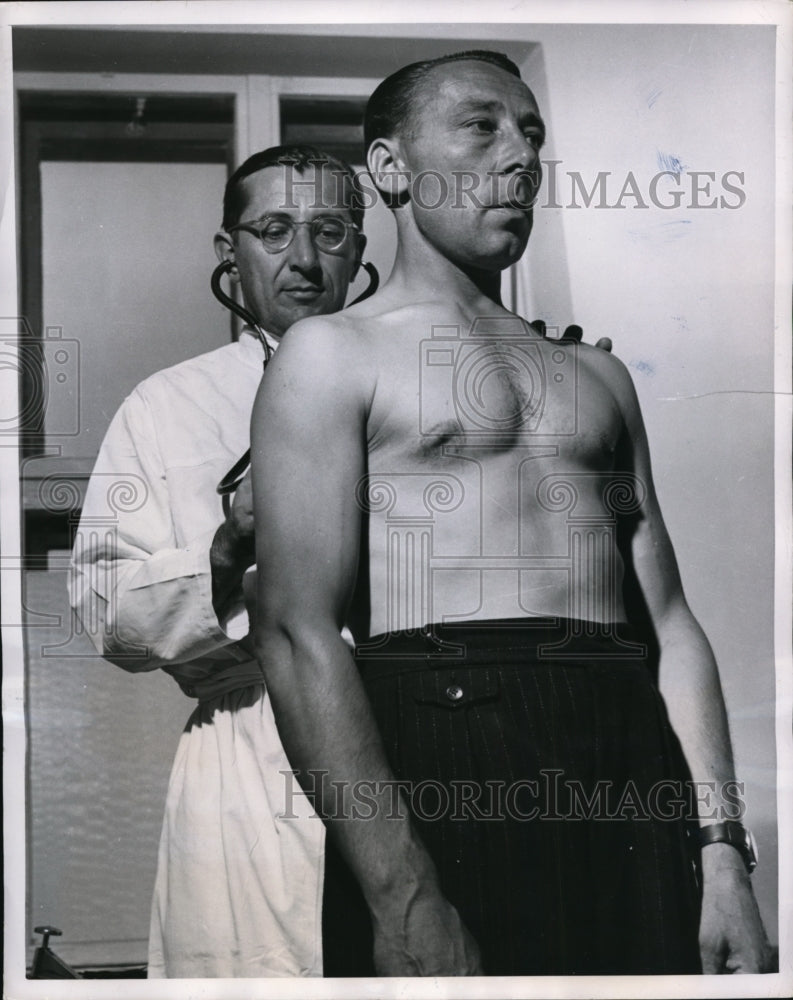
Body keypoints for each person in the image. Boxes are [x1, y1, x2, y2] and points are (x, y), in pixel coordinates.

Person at [249, 52, 772, 977]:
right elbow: (296, 635)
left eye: (531, 132)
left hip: (627, 762)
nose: (521, 155)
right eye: (481, 127)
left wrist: (723, 851)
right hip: (447, 754)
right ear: (390, 168)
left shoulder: (597, 376)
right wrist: (399, 890)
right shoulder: (329, 356)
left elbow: (671, 628)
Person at [69, 144, 368, 977]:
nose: (304, 259)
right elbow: (107, 612)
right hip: (247, 756)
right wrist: (225, 549)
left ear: (362, 251)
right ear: (227, 253)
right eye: (274, 230)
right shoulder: (165, 406)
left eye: (330, 231)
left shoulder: (416, 386)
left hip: (409, 733)